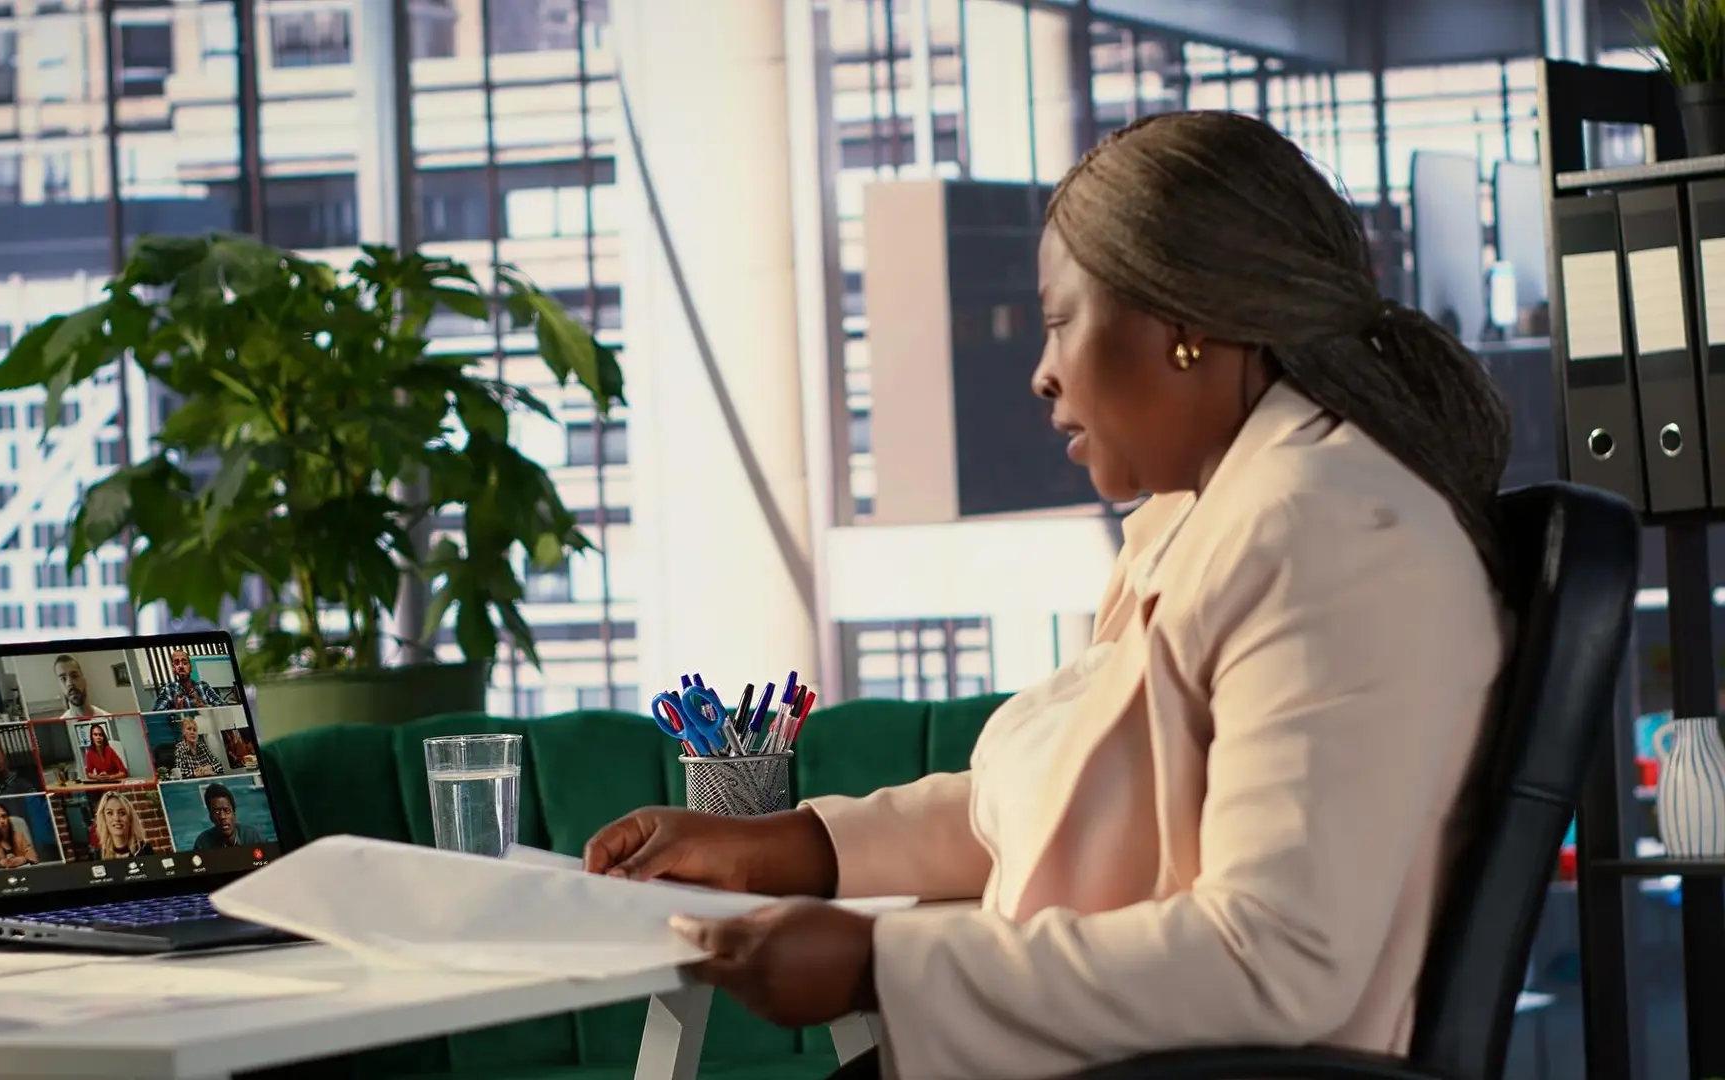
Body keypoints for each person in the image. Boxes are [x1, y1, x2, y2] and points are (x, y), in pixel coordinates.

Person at [583, 111, 1512, 1080]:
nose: (1042, 373)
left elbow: (1273, 959)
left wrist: (874, 963)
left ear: (1186, 324)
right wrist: (786, 848)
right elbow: (1068, 806)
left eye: (1062, 322)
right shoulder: (1219, 519)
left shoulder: (1320, 536)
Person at [192, 783, 263, 852]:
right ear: (211, 817)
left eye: (227, 811)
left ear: (234, 813)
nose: (222, 816)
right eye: (217, 812)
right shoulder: (202, 843)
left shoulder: (252, 837)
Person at [151, 651, 228, 712]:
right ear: (174, 669)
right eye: (177, 663)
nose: (181, 666)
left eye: (185, 663)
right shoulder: (168, 689)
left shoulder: (203, 686)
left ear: (191, 667)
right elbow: (157, 714)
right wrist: (177, 711)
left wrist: (205, 707)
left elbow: (223, 708)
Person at [93, 790, 153, 860]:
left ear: (130, 819)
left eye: (122, 813)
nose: (116, 818)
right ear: (104, 819)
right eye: (110, 813)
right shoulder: (98, 855)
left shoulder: (144, 849)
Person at [0, 803, 37, 870]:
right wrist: (0, 863)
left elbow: (33, 856)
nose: (2, 821)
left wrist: (23, 859)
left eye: (4, 816)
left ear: (8, 818)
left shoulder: (19, 836)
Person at [53, 655, 112, 719]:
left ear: (84, 680)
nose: (70, 683)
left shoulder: (108, 719)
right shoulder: (63, 724)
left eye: (74, 676)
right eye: (63, 679)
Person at [168, 715, 223, 779]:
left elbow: (219, 765)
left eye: (194, 730)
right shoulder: (180, 748)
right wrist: (196, 774)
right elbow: (180, 773)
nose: (192, 732)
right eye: (189, 729)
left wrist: (210, 767)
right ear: (183, 732)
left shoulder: (202, 746)